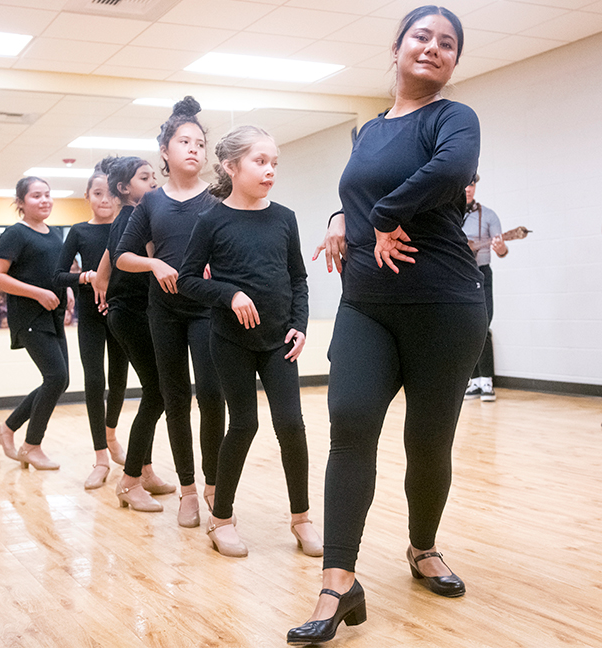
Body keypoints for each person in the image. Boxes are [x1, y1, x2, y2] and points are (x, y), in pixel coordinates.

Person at [287, 7, 486, 645]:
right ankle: (338, 580)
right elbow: (358, 191)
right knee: (349, 426)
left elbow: (450, 174)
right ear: (397, 46)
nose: (433, 48)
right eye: (422, 37)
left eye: (447, 43)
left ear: (454, 60)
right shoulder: (368, 131)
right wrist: (339, 218)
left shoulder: (453, 118)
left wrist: (381, 213)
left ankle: (422, 548)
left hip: (445, 306)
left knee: (427, 443)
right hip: (366, 304)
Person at [178, 125, 321, 558]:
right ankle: (221, 519)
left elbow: (298, 278)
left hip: (279, 341)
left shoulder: (285, 218)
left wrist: (300, 324)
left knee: (291, 426)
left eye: (274, 163)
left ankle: (302, 519)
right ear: (231, 166)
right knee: (243, 424)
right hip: (231, 342)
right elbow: (186, 281)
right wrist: (229, 293)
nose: (270, 170)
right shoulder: (211, 220)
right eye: (260, 162)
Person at [116, 96, 225, 528]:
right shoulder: (151, 204)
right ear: (166, 151)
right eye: (185, 141)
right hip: (162, 312)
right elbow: (124, 256)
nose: (194, 149)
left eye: (200, 142)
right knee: (176, 400)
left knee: (212, 397)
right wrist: (154, 262)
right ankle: (188, 492)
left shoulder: (218, 200)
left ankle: (215, 487)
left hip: (205, 310)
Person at [94, 156, 175, 512]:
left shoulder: (130, 217)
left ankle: (144, 470)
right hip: (131, 314)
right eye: (145, 178)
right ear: (125, 189)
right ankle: (130, 480)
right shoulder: (134, 217)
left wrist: (101, 282)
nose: (154, 182)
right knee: (157, 394)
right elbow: (125, 255)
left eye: (154, 176)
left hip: (134, 312)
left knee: (155, 392)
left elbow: (109, 259)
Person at [54, 159, 130, 489]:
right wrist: (86, 276)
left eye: (109, 194)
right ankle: (100, 456)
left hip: (122, 311)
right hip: (90, 313)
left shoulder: (128, 227)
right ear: (87, 195)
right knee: (95, 380)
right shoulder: (79, 231)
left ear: (118, 195)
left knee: (119, 379)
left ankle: (111, 436)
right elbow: (57, 275)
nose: (104, 200)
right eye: (97, 193)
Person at [0, 177, 68, 470]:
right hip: (29, 315)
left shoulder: (53, 233)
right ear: (21, 203)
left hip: (53, 314)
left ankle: (7, 429)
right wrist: (38, 293)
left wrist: (66, 290)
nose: (44, 200)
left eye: (48, 194)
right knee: (56, 377)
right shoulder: (14, 234)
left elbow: (52, 270)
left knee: (60, 380)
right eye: (36, 196)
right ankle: (32, 446)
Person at [462, 173, 508, 402]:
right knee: (465, 328)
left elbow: (502, 251)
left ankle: (486, 381)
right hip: (458, 276)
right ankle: (472, 381)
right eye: (464, 184)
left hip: (481, 274)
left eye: (471, 184)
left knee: (484, 323)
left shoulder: (488, 216)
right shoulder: (449, 217)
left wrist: (500, 247)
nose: (468, 189)